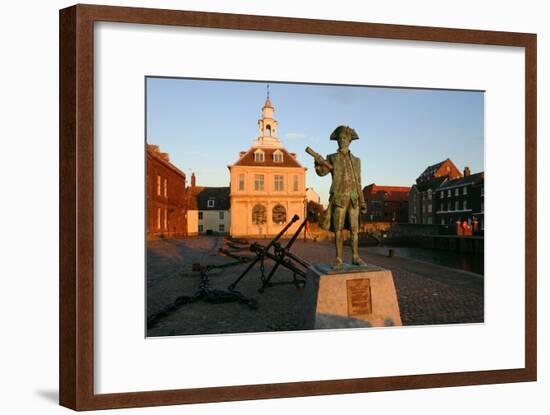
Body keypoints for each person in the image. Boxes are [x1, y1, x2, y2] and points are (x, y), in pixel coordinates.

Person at [313, 125, 367, 269]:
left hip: (354, 198)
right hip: (339, 198)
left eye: (345, 138)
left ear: (350, 140)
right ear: (337, 140)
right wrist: (318, 163)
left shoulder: (356, 160)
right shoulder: (331, 158)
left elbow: (358, 181)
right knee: (338, 230)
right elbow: (321, 172)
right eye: (340, 138)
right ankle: (338, 258)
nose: (342, 140)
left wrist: (362, 200)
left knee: (355, 230)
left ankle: (355, 256)